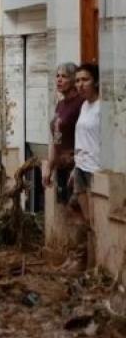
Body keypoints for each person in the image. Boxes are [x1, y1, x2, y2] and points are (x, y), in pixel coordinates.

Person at [43, 63, 84, 204]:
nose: (59, 80)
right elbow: (56, 138)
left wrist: (77, 167)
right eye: (57, 76)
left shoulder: (80, 103)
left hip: (75, 168)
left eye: (64, 76)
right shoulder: (60, 104)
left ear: (73, 80)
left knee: (76, 212)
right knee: (63, 209)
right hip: (60, 167)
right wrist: (49, 166)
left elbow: (85, 138)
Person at [71, 63, 101, 230]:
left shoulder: (102, 107)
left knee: (96, 219)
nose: (80, 85)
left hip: (95, 169)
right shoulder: (84, 105)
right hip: (81, 167)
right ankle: (86, 254)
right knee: (86, 219)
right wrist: (75, 166)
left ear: (95, 82)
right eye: (77, 80)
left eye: (85, 80)